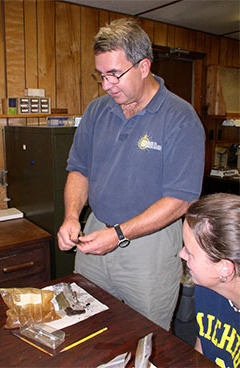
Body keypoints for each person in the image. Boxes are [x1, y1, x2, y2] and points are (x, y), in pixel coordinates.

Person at [57, 18, 205, 331]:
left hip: (150, 246)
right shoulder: (97, 111)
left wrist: (120, 234)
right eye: (101, 75)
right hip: (95, 233)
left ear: (144, 66)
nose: (107, 84)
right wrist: (72, 216)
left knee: (146, 336)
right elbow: (79, 169)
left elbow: (180, 200)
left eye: (114, 74)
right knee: (85, 325)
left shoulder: (180, 118)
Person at [180, 193, 240, 368]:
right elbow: (204, 345)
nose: (181, 255)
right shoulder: (209, 287)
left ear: (224, 268)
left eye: (189, 252)